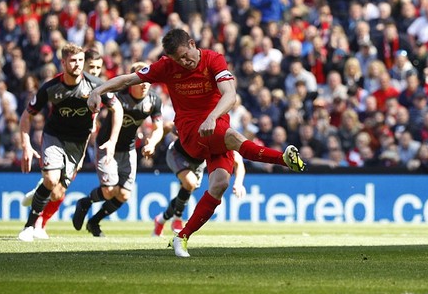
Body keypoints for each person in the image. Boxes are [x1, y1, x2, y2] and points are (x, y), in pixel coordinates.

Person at [87, 29, 305, 257]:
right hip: (192, 131)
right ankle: (283, 159)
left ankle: (181, 237)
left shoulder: (213, 59)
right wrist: (99, 89)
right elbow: (128, 79)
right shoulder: (166, 66)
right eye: (177, 59)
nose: (183, 62)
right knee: (233, 137)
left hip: (215, 127)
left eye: (184, 55)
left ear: (192, 43)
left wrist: (212, 116)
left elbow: (230, 94)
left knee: (219, 184)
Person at [18, 44, 123, 242]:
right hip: (54, 137)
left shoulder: (96, 85)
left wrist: (112, 140)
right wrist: (26, 144)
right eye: (73, 61)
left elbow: (117, 108)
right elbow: (27, 115)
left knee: (57, 193)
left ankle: (41, 190)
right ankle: (29, 226)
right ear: (63, 62)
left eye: (80, 61)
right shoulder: (50, 87)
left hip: (78, 143)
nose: (77, 65)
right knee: (51, 180)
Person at [72, 62, 165, 237]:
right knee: (109, 191)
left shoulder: (154, 100)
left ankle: (94, 222)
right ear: (131, 81)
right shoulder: (118, 96)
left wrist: (152, 143)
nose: (145, 84)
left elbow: (158, 127)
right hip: (107, 145)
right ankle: (85, 202)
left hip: (128, 148)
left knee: (123, 194)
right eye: (141, 80)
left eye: (148, 81)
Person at [152, 140, 246, 237]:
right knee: (190, 183)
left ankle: (160, 220)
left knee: (185, 192)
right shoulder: (200, 128)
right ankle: (177, 218)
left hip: (199, 161)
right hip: (178, 154)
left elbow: (238, 162)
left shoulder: (223, 138)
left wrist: (238, 183)